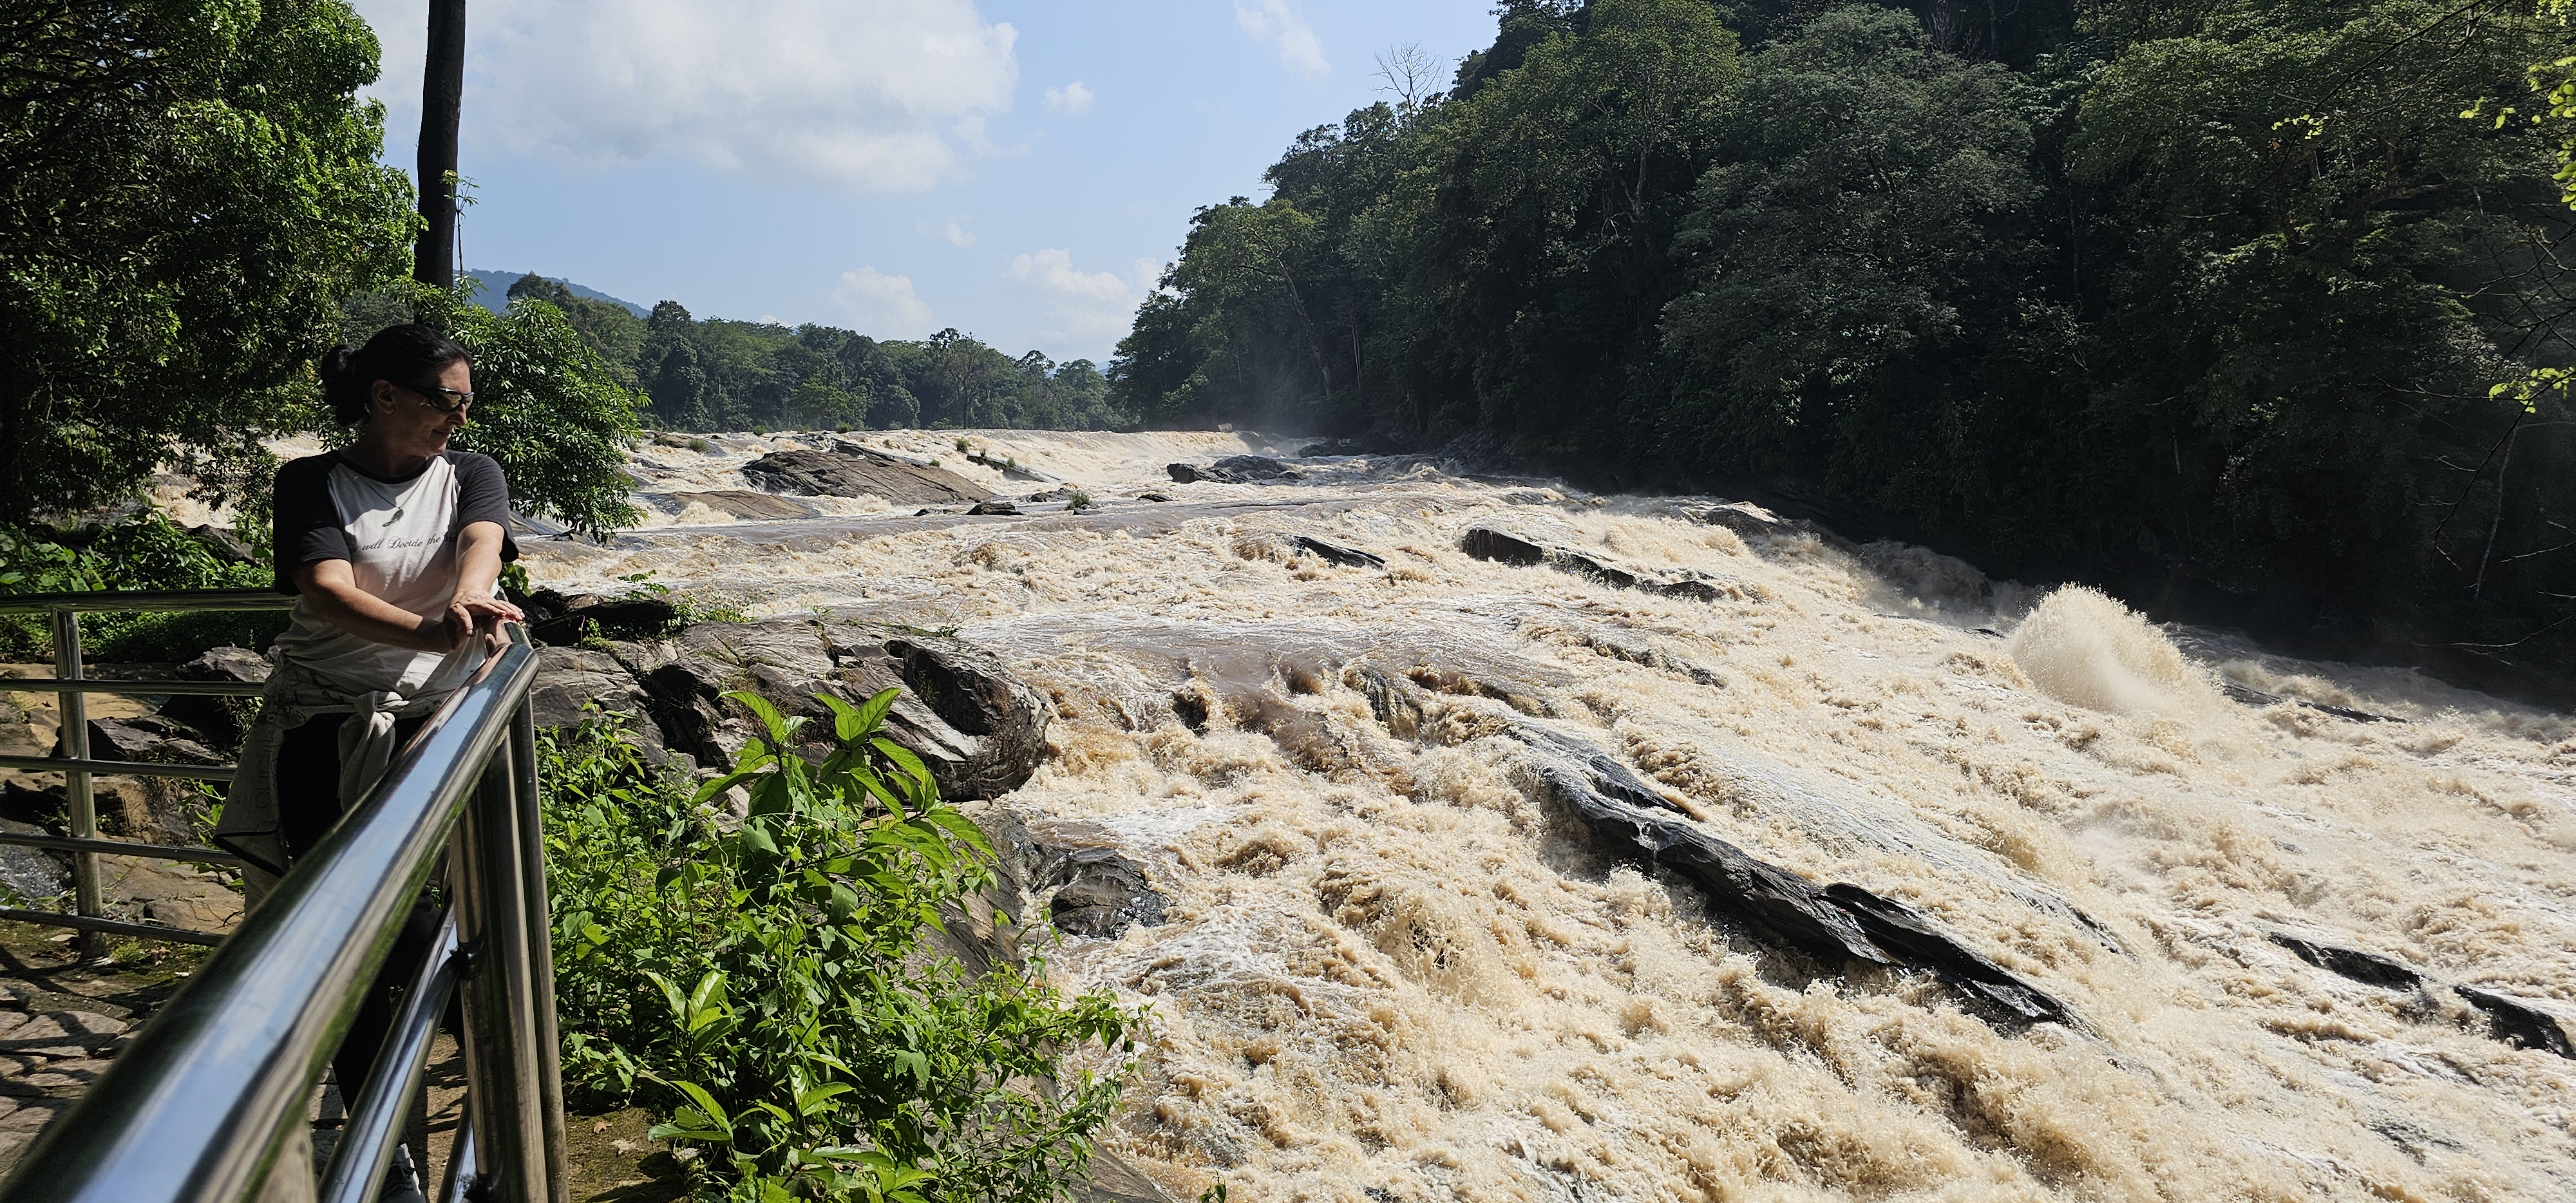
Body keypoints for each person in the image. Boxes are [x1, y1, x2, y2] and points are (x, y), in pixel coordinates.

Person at [214, 323, 523, 1198]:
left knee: (420, 923)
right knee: (342, 934)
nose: (459, 419)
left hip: (437, 727)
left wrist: (467, 603)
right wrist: (431, 629)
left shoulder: (471, 472)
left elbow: (481, 546)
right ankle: (384, 1154)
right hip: (326, 730)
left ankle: (470, 1096)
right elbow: (327, 590)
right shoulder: (310, 481)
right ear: (385, 396)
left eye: (467, 402)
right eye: (446, 401)